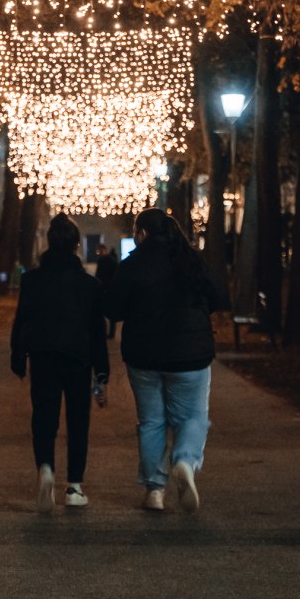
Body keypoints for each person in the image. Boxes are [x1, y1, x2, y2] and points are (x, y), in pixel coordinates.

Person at [103, 207, 219, 513]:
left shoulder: (132, 265)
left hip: (144, 356)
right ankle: (185, 460)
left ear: (141, 234)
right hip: (191, 355)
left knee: (151, 421)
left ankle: (155, 490)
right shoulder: (191, 260)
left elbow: (113, 309)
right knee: (193, 417)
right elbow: (218, 297)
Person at [10, 212, 110, 512]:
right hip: (78, 358)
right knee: (78, 422)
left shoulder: (32, 280)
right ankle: (75, 487)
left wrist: (18, 356)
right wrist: (101, 373)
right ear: (76, 246)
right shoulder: (89, 285)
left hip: (43, 356)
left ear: (48, 244)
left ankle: (46, 469)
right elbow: (97, 333)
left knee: (44, 418)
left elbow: (22, 321)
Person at [94, 243, 119, 338]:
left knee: (106, 312)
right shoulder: (106, 261)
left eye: (100, 251)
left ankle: (109, 333)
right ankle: (108, 333)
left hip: (107, 288)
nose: (99, 253)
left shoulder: (109, 261)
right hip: (106, 288)